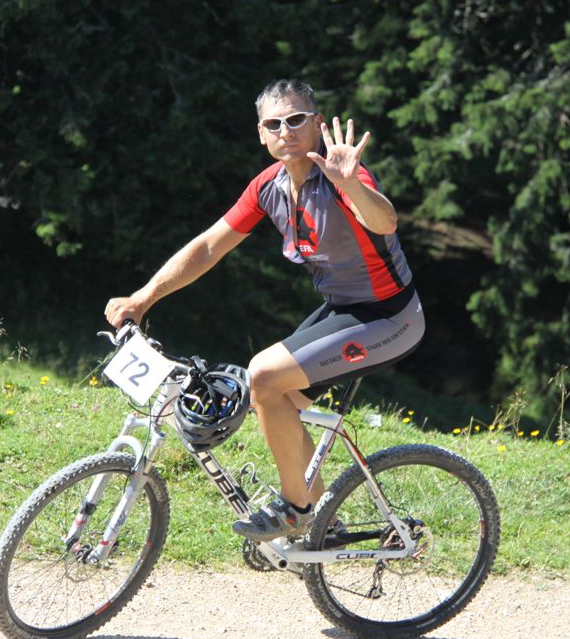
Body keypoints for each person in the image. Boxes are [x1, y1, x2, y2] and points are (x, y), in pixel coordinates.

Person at [105, 79, 425, 541]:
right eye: (274, 124)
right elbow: (209, 246)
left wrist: (351, 184)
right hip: (342, 310)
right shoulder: (268, 187)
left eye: (296, 119)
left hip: (389, 316)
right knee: (272, 400)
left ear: (317, 124)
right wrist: (144, 297)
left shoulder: (339, 175)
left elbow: (385, 221)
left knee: (264, 374)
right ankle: (322, 521)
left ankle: (296, 512)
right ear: (261, 134)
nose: (285, 130)